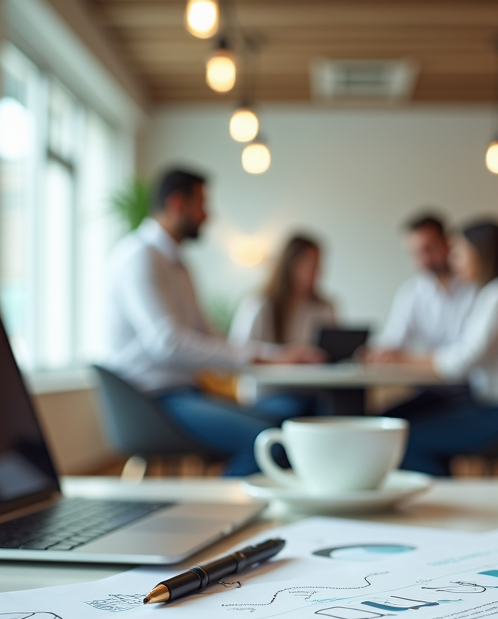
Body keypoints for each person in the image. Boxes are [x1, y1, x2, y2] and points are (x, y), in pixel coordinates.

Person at [102, 167, 323, 475]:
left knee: (281, 426)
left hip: (184, 393)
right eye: (203, 205)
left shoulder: (178, 265)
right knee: (268, 441)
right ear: (178, 204)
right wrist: (264, 357)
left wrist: (275, 356)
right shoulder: (139, 257)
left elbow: (209, 336)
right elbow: (168, 342)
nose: (209, 216)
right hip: (150, 401)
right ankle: (219, 514)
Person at [384, 219, 498, 476]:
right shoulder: (494, 293)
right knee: (403, 422)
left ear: (480, 253)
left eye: (459, 252)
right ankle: (445, 495)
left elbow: (460, 361)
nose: (453, 260)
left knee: (410, 437)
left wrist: (403, 359)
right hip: (496, 406)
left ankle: (444, 504)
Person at [229, 234, 337, 419]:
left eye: (318, 264)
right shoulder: (259, 304)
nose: (316, 271)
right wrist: (285, 355)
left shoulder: (323, 307)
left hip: (314, 392)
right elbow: (238, 351)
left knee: (341, 410)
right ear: (290, 265)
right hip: (270, 393)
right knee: (299, 410)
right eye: (310, 264)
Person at [367, 212, 477, 360]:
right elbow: (392, 341)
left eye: (429, 249)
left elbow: (471, 351)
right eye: (415, 253)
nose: (423, 261)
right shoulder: (411, 293)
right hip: (428, 379)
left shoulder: (476, 287)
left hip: (474, 379)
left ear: (447, 243)